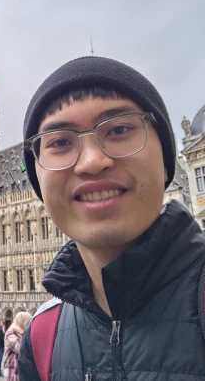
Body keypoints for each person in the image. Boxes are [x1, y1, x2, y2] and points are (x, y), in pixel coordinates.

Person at [18, 56, 205, 380]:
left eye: (119, 129)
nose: (91, 161)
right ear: (38, 182)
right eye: (60, 142)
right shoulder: (40, 337)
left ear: (166, 163)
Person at [2, 312, 31, 380]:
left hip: (23, 370)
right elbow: (18, 348)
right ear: (22, 322)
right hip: (13, 370)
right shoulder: (11, 332)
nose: (29, 325)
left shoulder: (25, 333)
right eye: (27, 322)